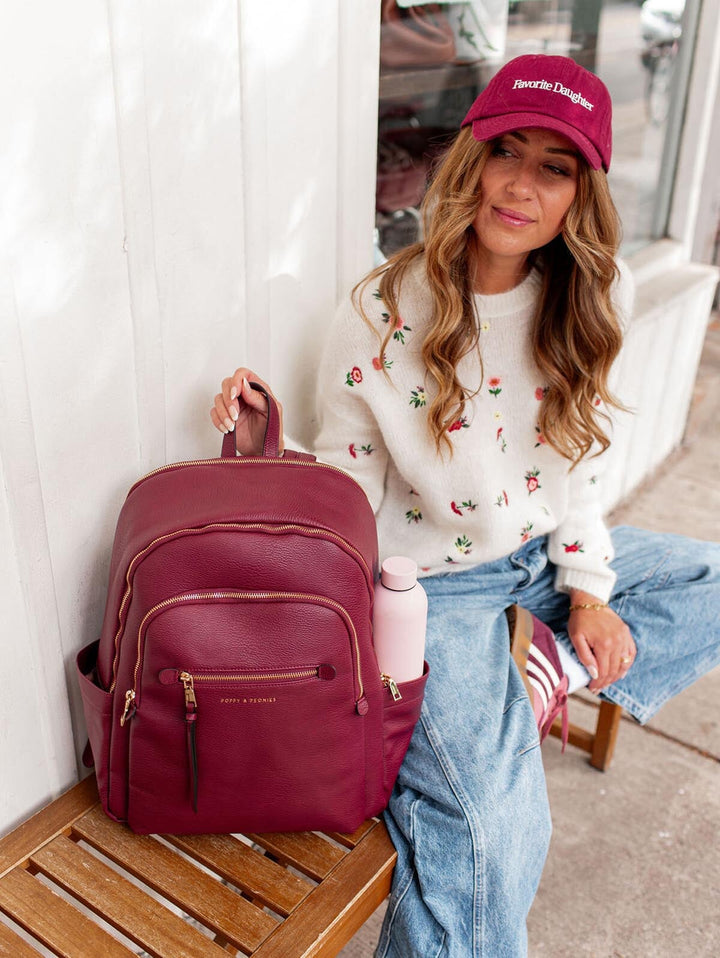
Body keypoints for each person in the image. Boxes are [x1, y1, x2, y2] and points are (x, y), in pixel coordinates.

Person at [210, 55, 720, 957]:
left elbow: (579, 468)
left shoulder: (597, 295)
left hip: (538, 554)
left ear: (582, 195)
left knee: (707, 579)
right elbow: (349, 497)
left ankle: (546, 669)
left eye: (554, 168)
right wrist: (264, 456)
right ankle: (512, 690)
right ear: (470, 160)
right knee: (491, 840)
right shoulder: (381, 312)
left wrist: (590, 591)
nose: (520, 186)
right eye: (506, 153)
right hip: (434, 589)